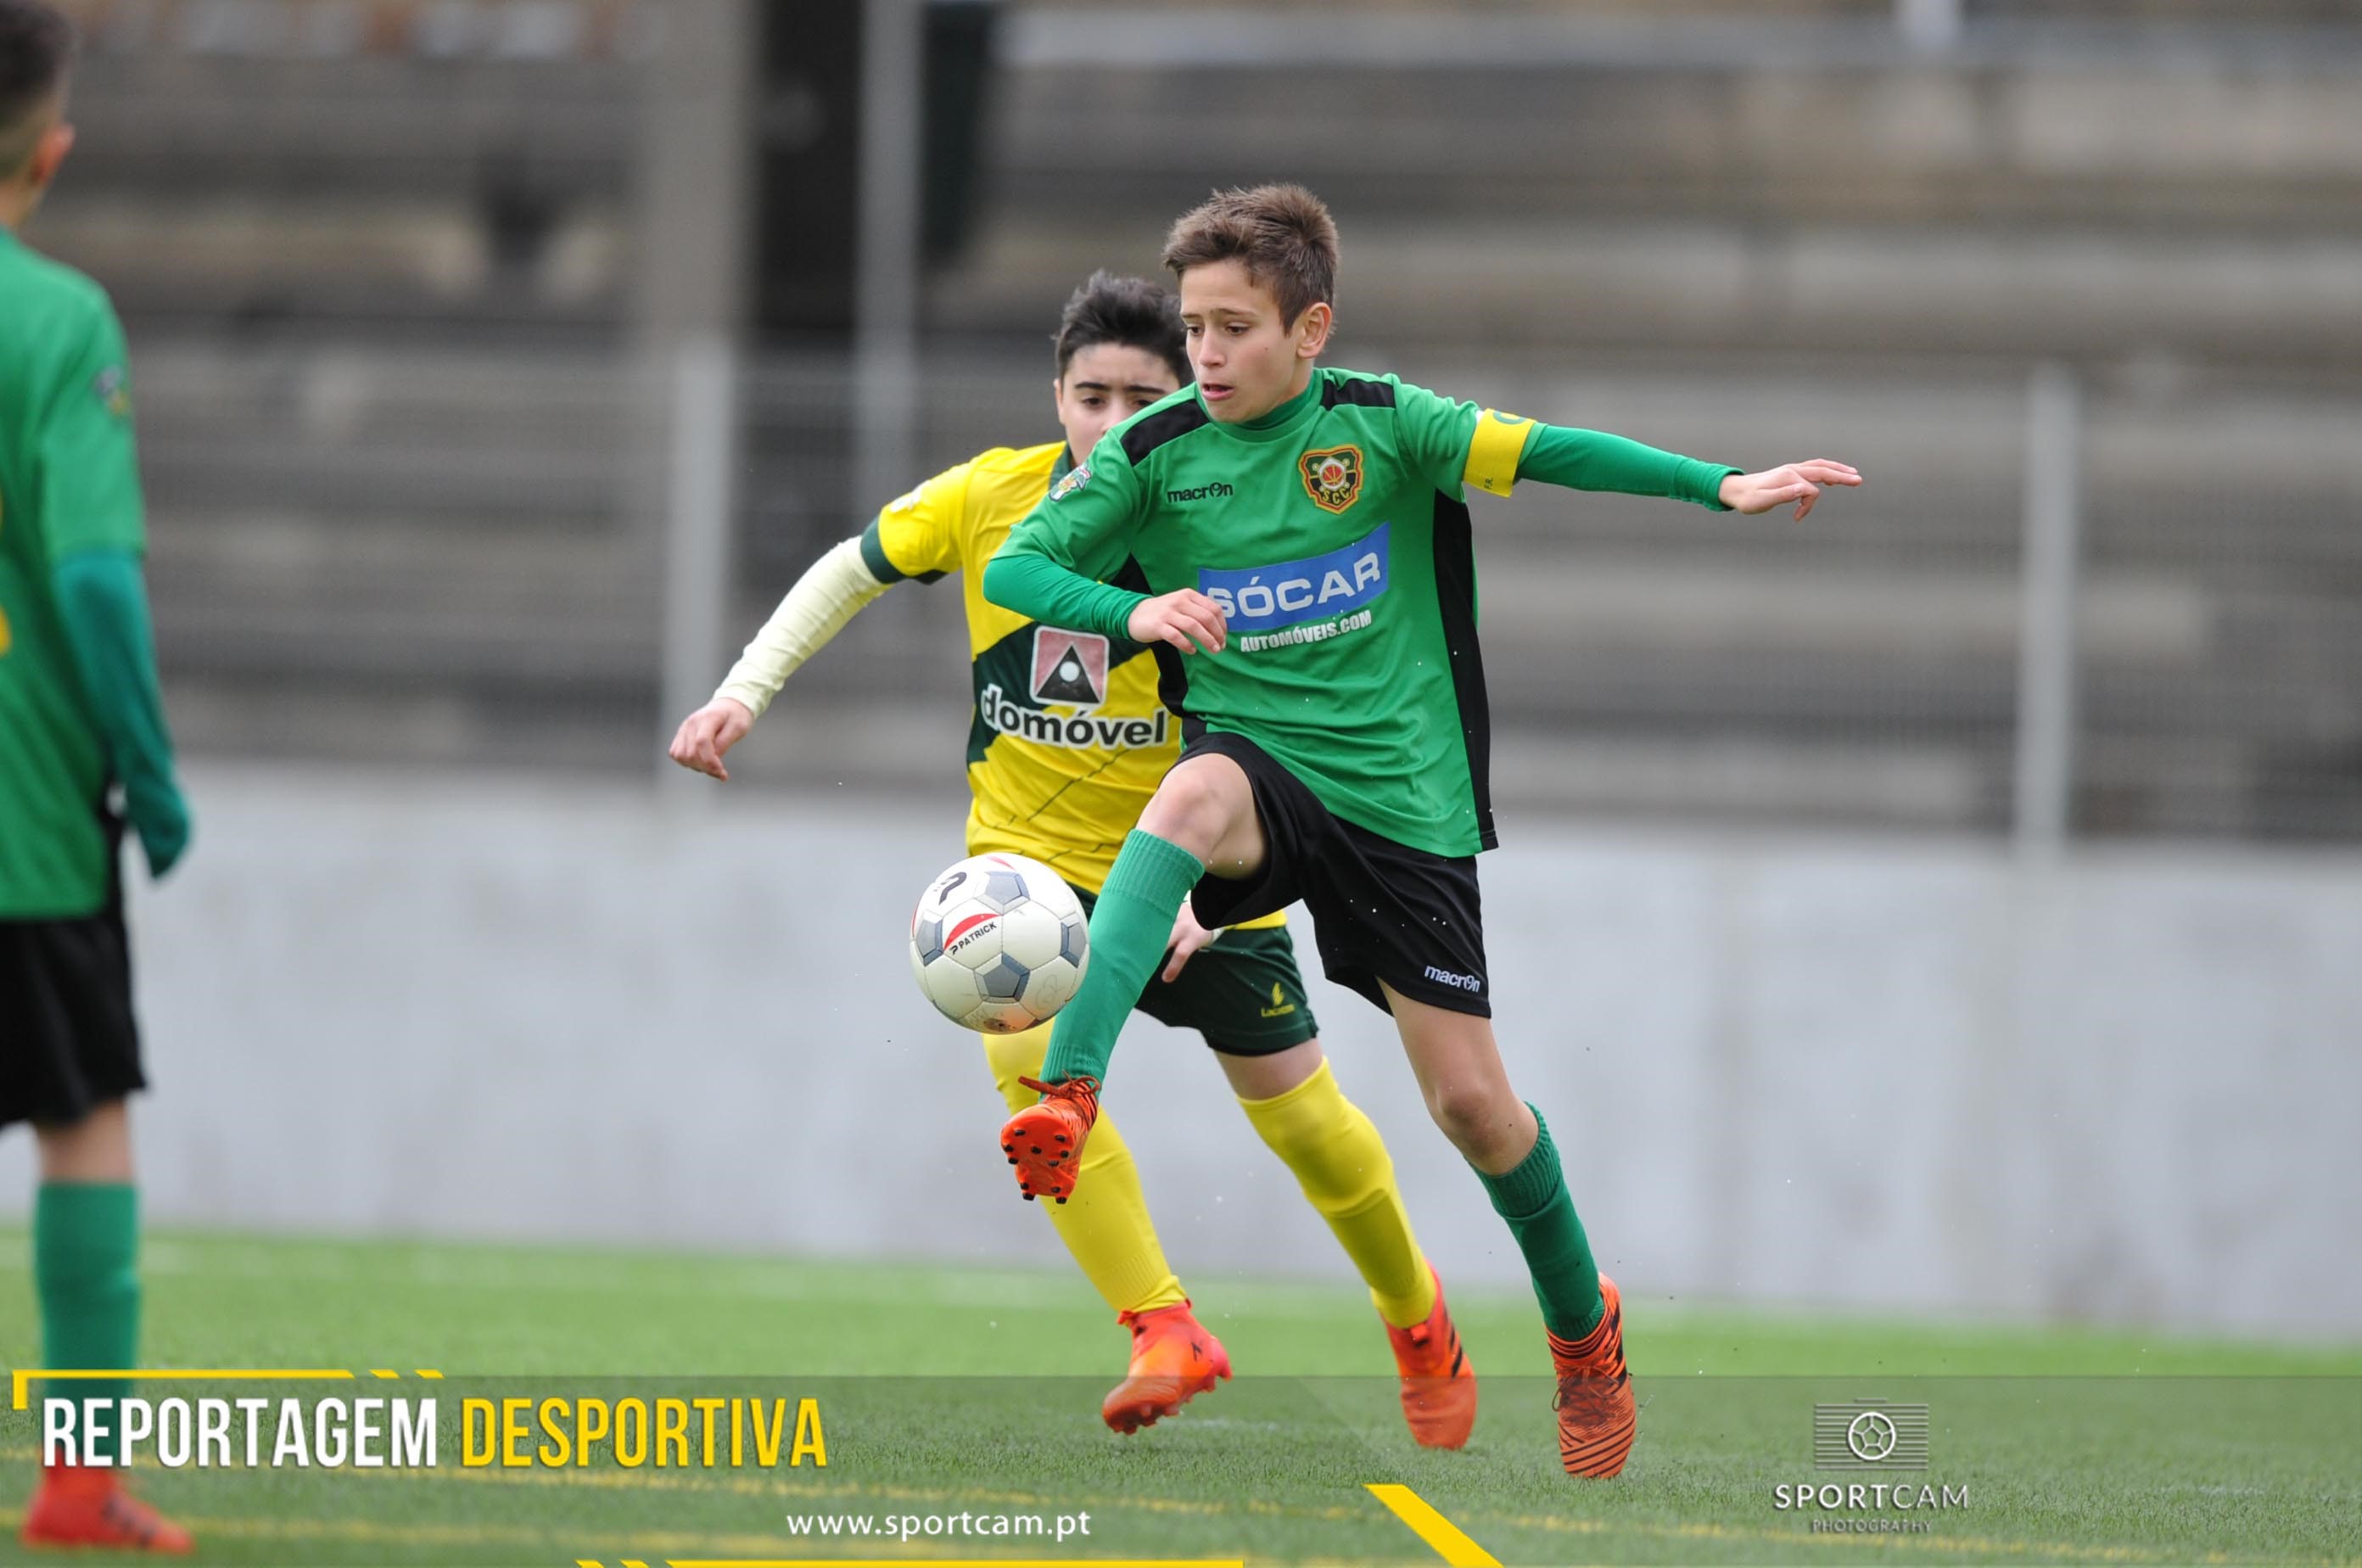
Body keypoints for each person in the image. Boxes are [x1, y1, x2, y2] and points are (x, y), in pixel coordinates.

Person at [982, 186, 1862, 1479]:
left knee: (1471, 1108)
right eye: (1195, 326)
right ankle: (1069, 1089)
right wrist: (1136, 613)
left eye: (1234, 328)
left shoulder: (1385, 425)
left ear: (1311, 330)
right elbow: (1016, 567)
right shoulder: (1156, 449)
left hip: (1401, 806)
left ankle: (1584, 1332)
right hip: (1258, 765)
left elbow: (1548, 449)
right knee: (1188, 799)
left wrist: (1715, 483)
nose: (1206, 353)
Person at [669, 272, 1476, 1446]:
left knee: (1303, 1124)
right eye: (1091, 396)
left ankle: (1415, 1315)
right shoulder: (991, 499)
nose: (1111, 422)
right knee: (1029, 1062)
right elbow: (852, 567)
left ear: (1187, 402)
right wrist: (743, 694)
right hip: (1029, 874)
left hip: (1188, 870)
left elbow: (1285, 731)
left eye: (1141, 400)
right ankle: (1163, 1326)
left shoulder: (1223, 519)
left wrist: (1216, 894)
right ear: (1057, 396)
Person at [0, 0, 196, 1551]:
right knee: (78, 1119)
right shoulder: (59, 323)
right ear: (50, 153)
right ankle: (76, 1484)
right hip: (28, 813)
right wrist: (151, 769)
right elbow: (88, 578)